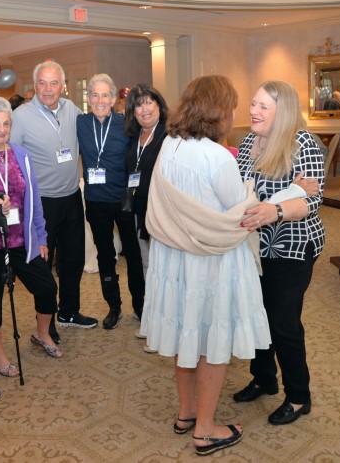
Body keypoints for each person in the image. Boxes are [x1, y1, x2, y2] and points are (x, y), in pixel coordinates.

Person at [140, 75, 271, 457]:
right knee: (213, 340)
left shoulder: (170, 145)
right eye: (231, 108)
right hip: (210, 262)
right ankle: (206, 430)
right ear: (217, 111)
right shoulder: (217, 156)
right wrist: (253, 190)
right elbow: (240, 212)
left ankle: (187, 413)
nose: (234, 115)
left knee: (186, 335)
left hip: (175, 258)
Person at [233, 80, 325, 427]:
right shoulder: (248, 141)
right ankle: (264, 378)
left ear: (282, 111)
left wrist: (277, 210)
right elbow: (242, 189)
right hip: (255, 245)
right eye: (253, 104)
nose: (253, 111)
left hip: (293, 246)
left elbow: (313, 199)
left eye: (262, 106)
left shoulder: (302, 143)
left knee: (283, 322)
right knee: (257, 313)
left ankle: (299, 396)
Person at [0, 97, 62, 379]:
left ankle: (42, 333)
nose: (1, 129)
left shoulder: (21, 154)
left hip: (23, 240)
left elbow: (34, 198)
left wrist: (41, 236)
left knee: (46, 288)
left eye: (6, 123)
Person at [10, 61, 98, 334]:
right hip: (42, 202)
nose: (48, 89)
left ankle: (69, 312)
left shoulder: (72, 109)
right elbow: (11, 160)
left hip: (71, 197)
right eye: (42, 83)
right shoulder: (21, 116)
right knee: (42, 267)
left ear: (63, 86)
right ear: (35, 86)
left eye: (53, 83)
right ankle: (45, 325)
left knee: (73, 260)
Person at [76, 74, 144, 329]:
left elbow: (139, 157)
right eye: (95, 95)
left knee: (133, 255)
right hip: (96, 202)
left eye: (105, 95)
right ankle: (113, 306)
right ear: (88, 98)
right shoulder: (81, 123)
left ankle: (140, 305)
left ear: (114, 99)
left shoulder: (126, 123)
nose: (100, 100)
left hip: (123, 201)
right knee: (105, 256)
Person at [123, 84, 169, 335]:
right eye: (138, 105)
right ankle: (152, 315)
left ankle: (164, 318)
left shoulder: (169, 135)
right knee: (148, 264)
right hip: (139, 211)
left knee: (163, 267)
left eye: (149, 102)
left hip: (163, 213)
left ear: (159, 105)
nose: (145, 109)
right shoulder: (134, 136)